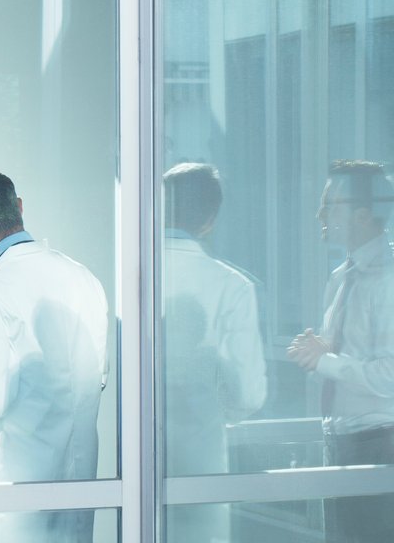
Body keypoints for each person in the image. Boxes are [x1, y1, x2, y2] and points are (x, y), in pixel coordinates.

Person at [0, 167, 108, 543]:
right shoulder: (83, 278)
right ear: (20, 207)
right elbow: (96, 376)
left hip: (17, 490)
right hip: (79, 483)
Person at [288, 160, 394, 543]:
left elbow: (390, 375)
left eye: (330, 204)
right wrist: (319, 356)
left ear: (363, 215)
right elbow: (341, 361)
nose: (320, 214)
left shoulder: (388, 279)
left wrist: (326, 360)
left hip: (380, 443)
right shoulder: (340, 278)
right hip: (341, 441)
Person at [162, 163, 267, 543]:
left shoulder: (126, 273)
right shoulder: (232, 286)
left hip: (124, 466)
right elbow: (248, 396)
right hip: (201, 466)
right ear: (210, 221)